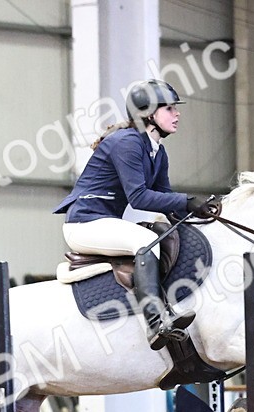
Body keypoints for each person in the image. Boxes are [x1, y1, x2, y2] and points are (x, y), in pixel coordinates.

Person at [54, 79, 217, 350]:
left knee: (162, 233)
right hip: (84, 223)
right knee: (146, 241)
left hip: (105, 222)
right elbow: (139, 197)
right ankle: (156, 322)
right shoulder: (127, 142)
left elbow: (165, 199)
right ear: (149, 114)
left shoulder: (157, 151)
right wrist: (188, 201)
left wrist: (201, 213)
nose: (177, 114)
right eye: (169, 109)